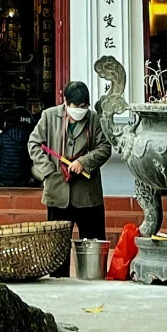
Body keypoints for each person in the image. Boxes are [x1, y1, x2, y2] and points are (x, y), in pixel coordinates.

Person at [29, 80, 110, 264]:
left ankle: (93, 284)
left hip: (87, 193)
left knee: (92, 248)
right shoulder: (49, 116)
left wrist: (84, 162)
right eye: (75, 106)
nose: (79, 110)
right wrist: (49, 171)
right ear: (65, 101)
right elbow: (34, 144)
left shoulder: (94, 118)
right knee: (57, 248)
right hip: (58, 191)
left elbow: (105, 147)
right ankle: (58, 281)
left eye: (84, 106)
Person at [0, 109, 32, 187]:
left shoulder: (2, 137)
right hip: (21, 180)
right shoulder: (27, 136)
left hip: (2, 180)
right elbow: (29, 158)